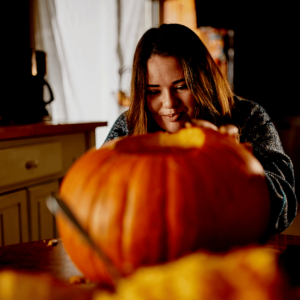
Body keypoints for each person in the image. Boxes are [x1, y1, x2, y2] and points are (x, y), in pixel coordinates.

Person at [104, 23, 297, 234]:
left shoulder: (248, 116)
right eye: (153, 91)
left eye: (181, 87)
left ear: (203, 81)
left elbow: (285, 210)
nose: (169, 103)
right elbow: (100, 198)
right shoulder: (128, 126)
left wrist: (234, 165)